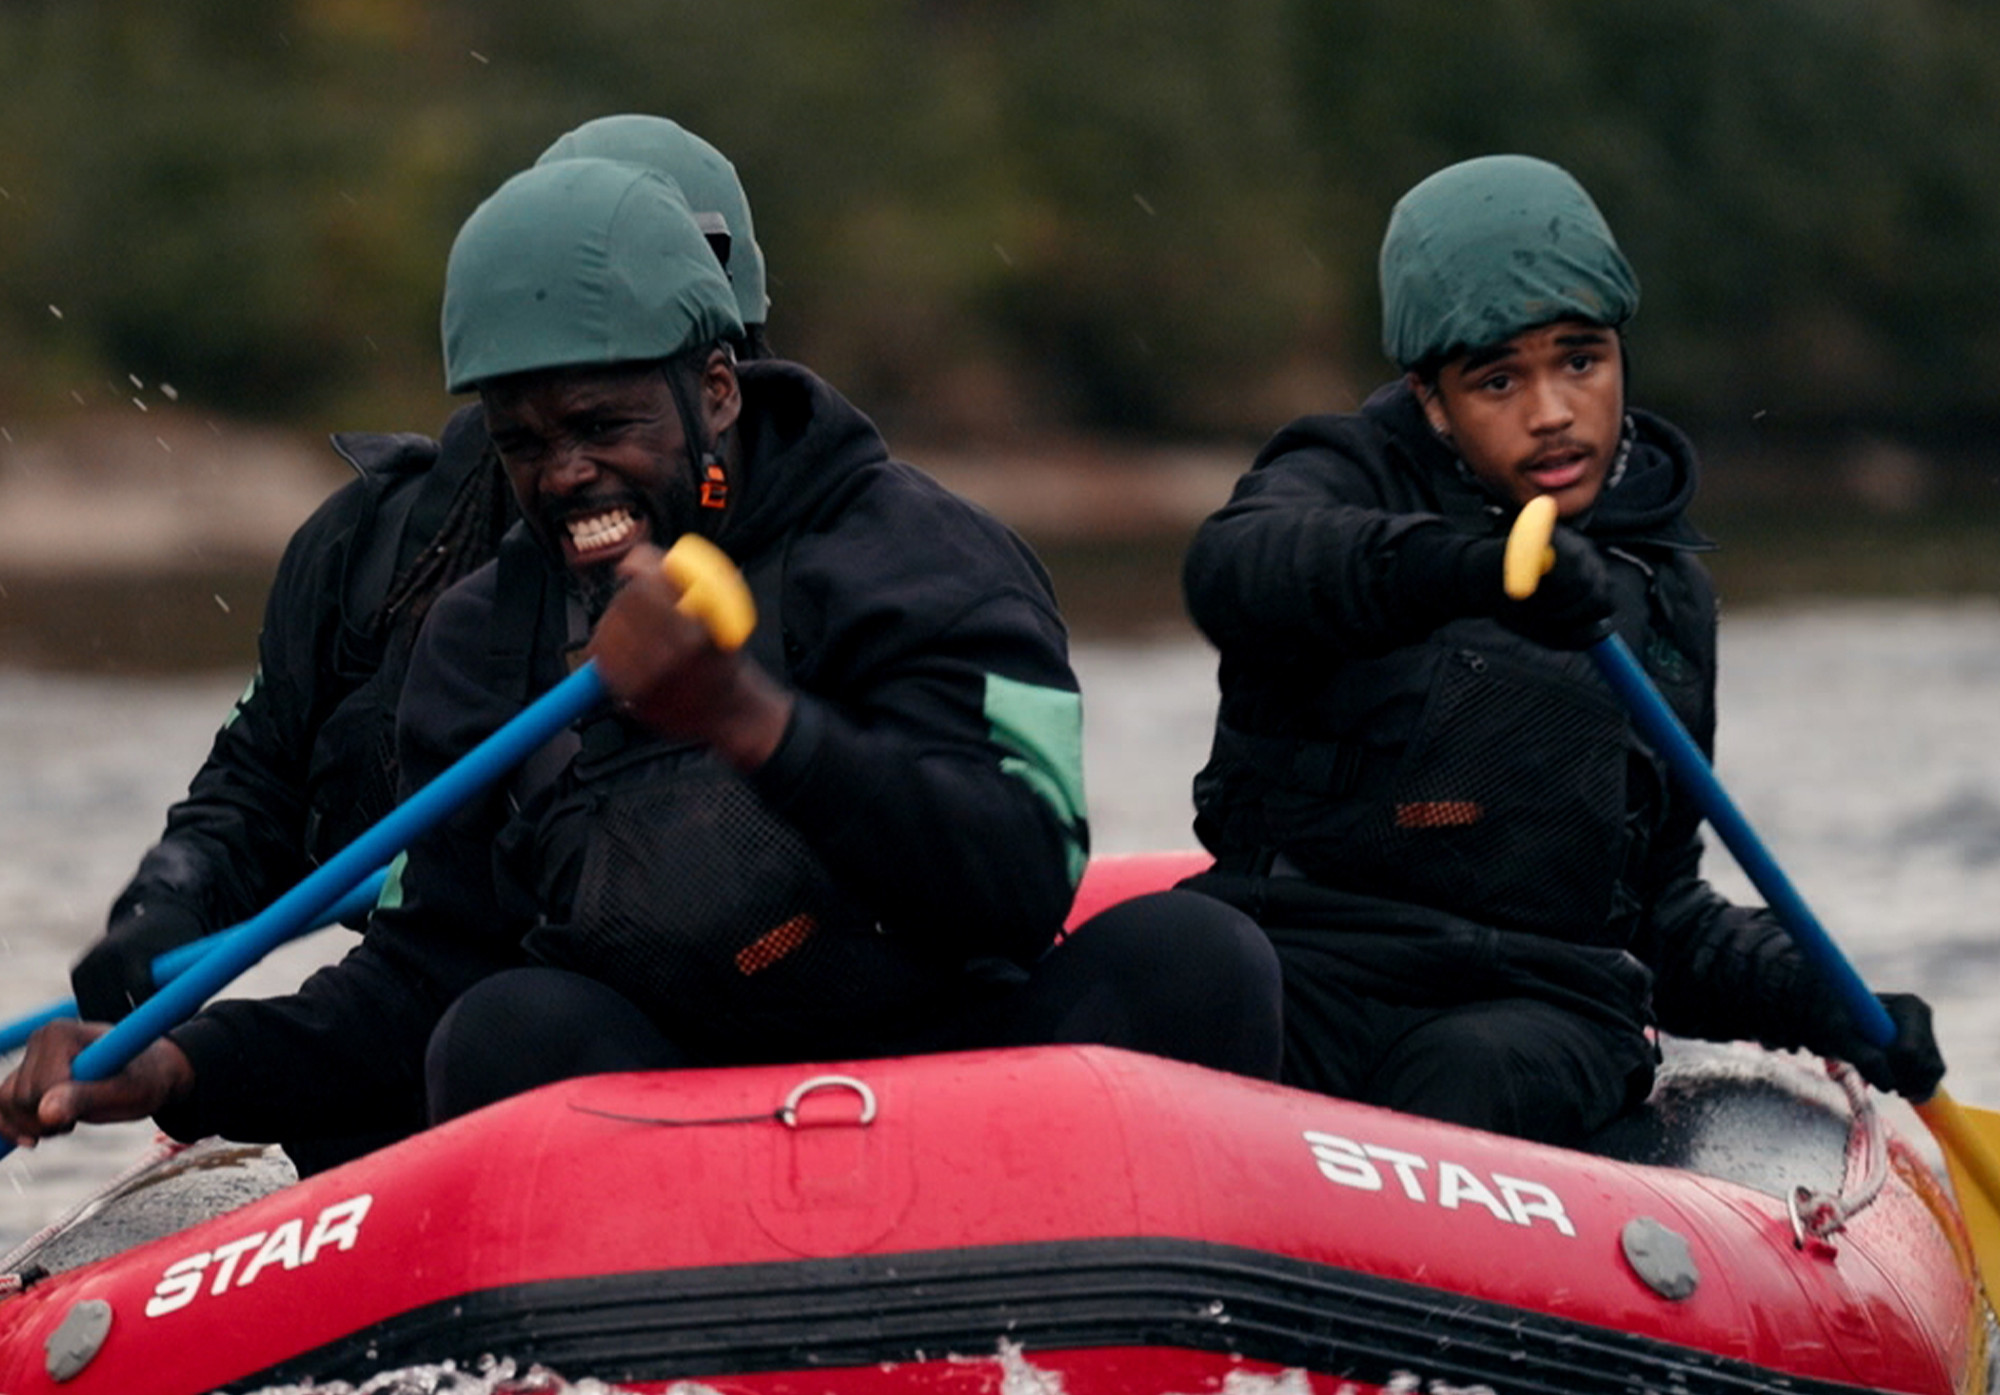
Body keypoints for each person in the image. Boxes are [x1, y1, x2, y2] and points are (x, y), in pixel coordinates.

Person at [6, 158, 1276, 1162]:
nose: (565, 475)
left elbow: (1012, 879)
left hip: (959, 1052)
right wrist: (179, 1067)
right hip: (674, 1120)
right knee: (501, 1031)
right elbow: (421, 976)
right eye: (525, 441)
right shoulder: (482, 637)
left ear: (717, 389)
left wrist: (747, 721)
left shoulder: (921, 553)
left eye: (604, 426)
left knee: (1193, 961)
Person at [1180, 153, 1944, 1146]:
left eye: (1578, 361)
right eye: (1496, 378)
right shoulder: (1338, 480)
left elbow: (1660, 919)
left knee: (1468, 1076)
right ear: (1430, 398)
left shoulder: (1661, 598)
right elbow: (1232, 571)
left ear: (1619, 355)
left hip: (1530, 1011)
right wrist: (1470, 569)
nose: (1549, 412)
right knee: (1166, 960)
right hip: (1304, 960)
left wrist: (1814, 998)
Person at [67, 116, 772, 1024]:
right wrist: (167, 905)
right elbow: (256, 780)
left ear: (722, 372)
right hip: (421, 1025)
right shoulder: (370, 548)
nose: (574, 463)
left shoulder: (839, 545)